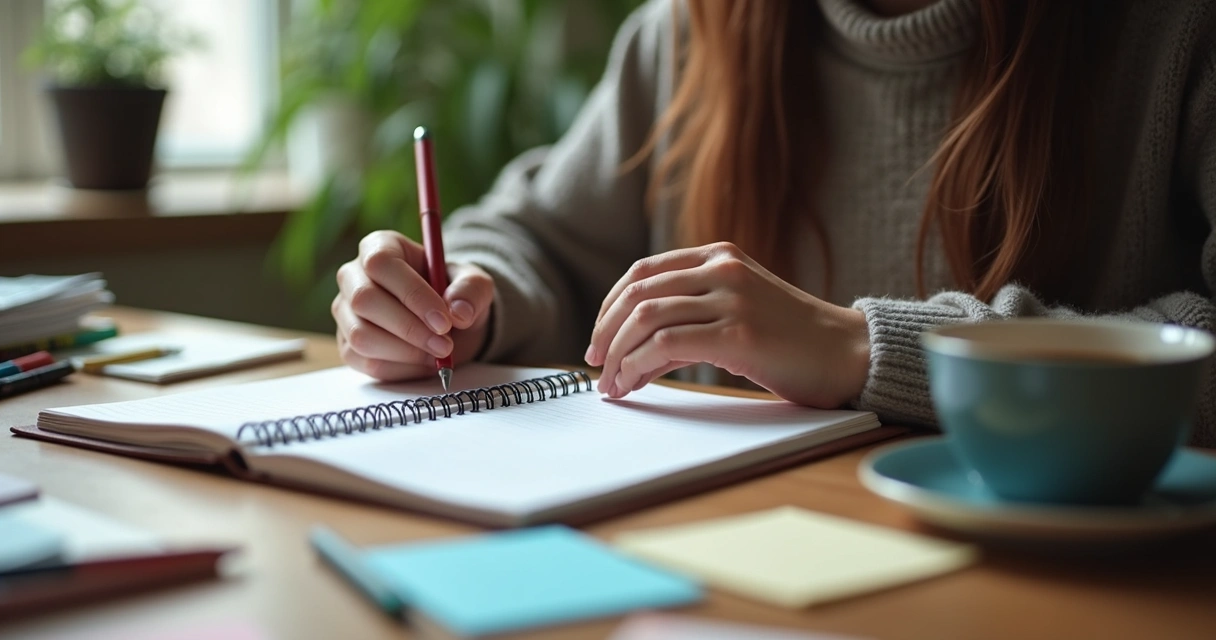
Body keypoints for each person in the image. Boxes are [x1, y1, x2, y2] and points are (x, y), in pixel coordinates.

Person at [330, 0, 1216, 446]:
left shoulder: (1174, 33)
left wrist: (865, 352)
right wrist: (464, 296)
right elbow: (539, 239)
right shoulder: (688, 33)